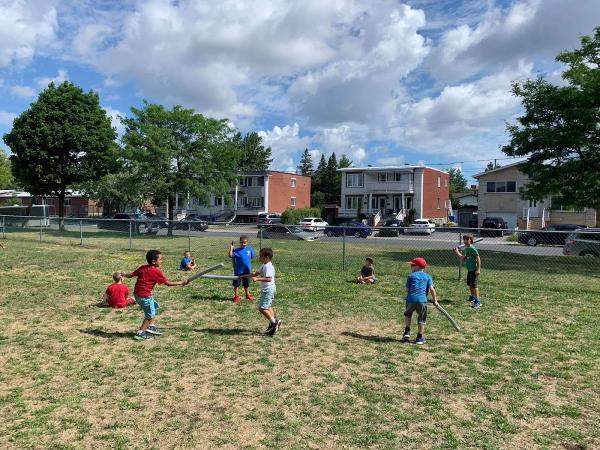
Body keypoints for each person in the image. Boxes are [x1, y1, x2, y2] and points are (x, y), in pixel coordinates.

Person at [122, 249, 188, 340]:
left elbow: (131, 275)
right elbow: (168, 283)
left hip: (138, 295)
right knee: (149, 316)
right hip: (145, 296)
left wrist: (124, 274)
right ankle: (140, 333)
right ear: (153, 261)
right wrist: (181, 283)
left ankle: (151, 327)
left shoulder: (142, 268)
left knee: (154, 306)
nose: (162, 261)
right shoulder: (156, 272)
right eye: (160, 259)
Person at [403, 257, 438, 345]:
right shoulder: (428, 276)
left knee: (408, 314)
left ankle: (407, 332)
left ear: (417, 267)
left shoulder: (411, 276)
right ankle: (419, 338)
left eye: (412, 265)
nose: (411, 267)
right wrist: (435, 301)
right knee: (422, 318)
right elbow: (432, 289)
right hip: (422, 300)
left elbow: (407, 290)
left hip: (410, 299)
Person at [252, 247, 281, 336]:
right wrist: (244, 276)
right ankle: (274, 322)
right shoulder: (264, 265)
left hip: (268, 289)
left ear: (266, 257)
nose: (259, 258)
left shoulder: (268, 267)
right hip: (268, 289)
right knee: (267, 307)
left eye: (261, 256)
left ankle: (274, 323)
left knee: (262, 308)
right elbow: (255, 273)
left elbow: (269, 279)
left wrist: (257, 279)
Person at [454, 233, 482, 309]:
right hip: (469, 269)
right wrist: (457, 251)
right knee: (470, 284)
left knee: (474, 285)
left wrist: (478, 269)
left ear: (471, 240)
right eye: (464, 239)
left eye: (467, 240)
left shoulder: (472, 248)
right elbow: (462, 258)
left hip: (474, 270)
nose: (465, 241)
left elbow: (478, 258)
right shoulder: (466, 249)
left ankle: (478, 301)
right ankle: (473, 297)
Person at [229, 235, 255, 304]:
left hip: (246, 270)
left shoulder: (249, 249)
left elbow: (252, 256)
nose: (243, 244)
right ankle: (236, 296)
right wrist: (231, 248)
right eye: (242, 243)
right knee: (236, 284)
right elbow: (230, 255)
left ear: (247, 242)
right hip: (238, 271)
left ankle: (247, 294)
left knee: (246, 284)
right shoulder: (237, 250)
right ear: (240, 242)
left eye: (245, 243)